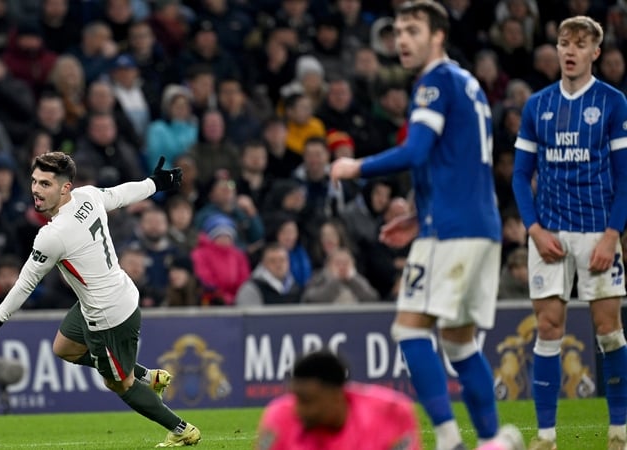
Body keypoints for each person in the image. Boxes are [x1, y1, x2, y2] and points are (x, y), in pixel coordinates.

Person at [329, 2, 503, 449]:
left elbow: (417, 150)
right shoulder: (467, 83)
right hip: (478, 225)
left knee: (410, 329)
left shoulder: (434, 81)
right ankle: (491, 441)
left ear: (438, 35)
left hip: (451, 229)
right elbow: (454, 160)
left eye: (412, 30)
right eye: (398, 32)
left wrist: (356, 167)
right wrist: (417, 214)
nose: (402, 39)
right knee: (461, 343)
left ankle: (448, 438)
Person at [0, 152, 201, 447]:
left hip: (107, 315)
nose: (36, 189)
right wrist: (154, 184)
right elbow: (121, 194)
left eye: (46, 184)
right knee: (64, 348)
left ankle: (181, 429)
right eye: (35, 181)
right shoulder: (87, 196)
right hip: (110, 294)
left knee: (119, 383)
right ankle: (149, 376)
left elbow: (26, 283)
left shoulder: (52, 235)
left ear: (65, 188)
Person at [511, 15, 627, 450]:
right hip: (550, 234)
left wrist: (613, 234)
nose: (571, 50)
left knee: (608, 329)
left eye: (580, 43)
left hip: (598, 231)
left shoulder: (613, 102)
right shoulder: (536, 105)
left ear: (596, 52)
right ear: (557, 49)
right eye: (564, 42)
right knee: (547, 327)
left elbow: (624, 175)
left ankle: (619, 431)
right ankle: (545, 437)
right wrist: (535, 230)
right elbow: (521, 176)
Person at [255, 351, 526, 450]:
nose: (299, 408)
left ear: (337, 395)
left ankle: (501, 444)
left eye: (308, 400)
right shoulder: (279, 416)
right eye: (296, 398)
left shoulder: (390, 412)